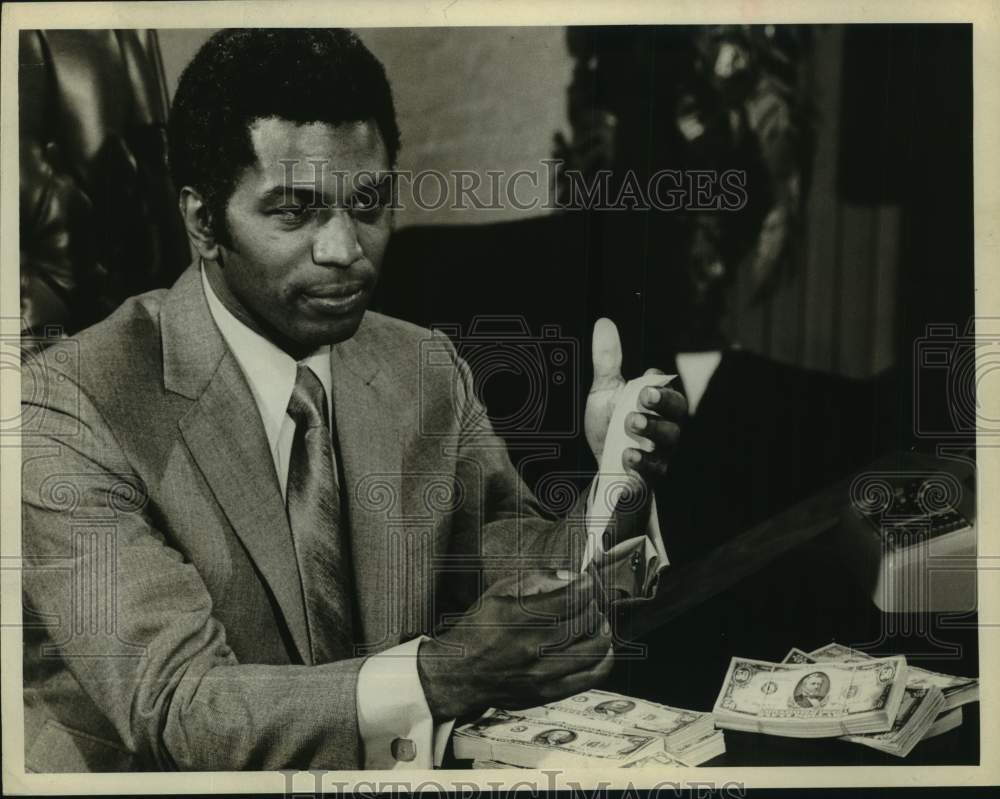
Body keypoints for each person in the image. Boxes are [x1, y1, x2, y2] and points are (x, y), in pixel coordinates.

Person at [20, 28, 686, 772]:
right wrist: (444, 671)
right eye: (295, 211)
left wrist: (609, 494)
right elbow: (180, 705)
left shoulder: (422, 365)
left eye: (368, 204)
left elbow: (511, 575)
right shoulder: (67, 406)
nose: (345, 248)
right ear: (204, 221)